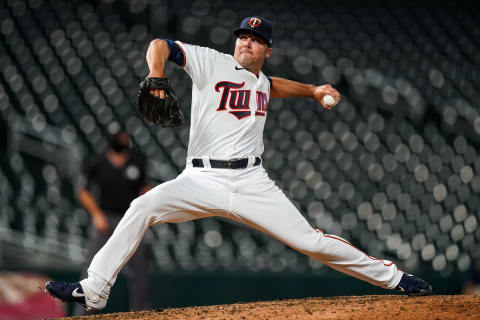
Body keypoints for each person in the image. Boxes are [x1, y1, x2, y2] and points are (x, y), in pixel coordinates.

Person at [46, 16, 432, 311]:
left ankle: (395, 278)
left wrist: (313, 90)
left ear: (267, 51)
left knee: (310, 241)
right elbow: (160, 44)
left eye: (256, 40)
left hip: (251, 180)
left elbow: (274, 84)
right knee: (143, 206)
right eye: (243, 37)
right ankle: (95, 289)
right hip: (200, 178)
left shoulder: (261, 80)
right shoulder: (210, 62)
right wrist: (156, 72)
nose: (247, 42)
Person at [73, 130, 151, 313]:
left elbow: (146, 188)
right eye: (119, 137)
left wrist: (141, 208)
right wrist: (96, 214)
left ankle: (141, 313)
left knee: (139, 270)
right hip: (106, 219)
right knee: (91, 268)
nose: (122, 140)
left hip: (130, 220)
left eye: (125, 137)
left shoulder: (138, 160)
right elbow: (82, 190)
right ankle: (80, 314)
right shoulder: (98, 161)